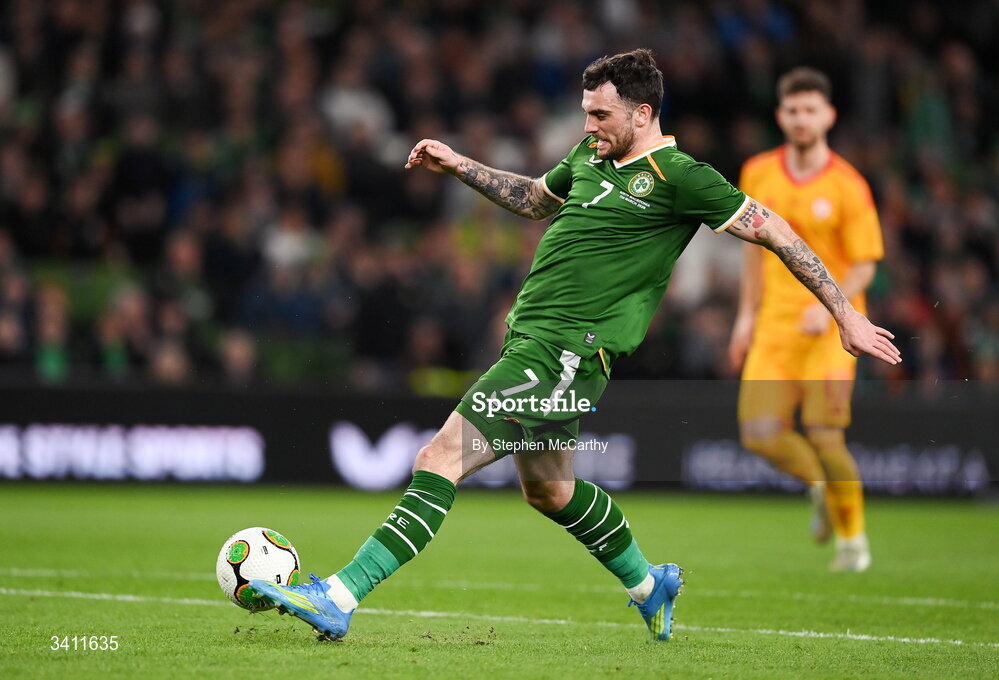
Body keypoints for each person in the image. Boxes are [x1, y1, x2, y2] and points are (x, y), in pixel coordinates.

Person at [250, 49, 900, 641]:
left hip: (568, 351)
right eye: (586, 112)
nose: (589, 124)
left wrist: (844, 312)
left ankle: (338, 596)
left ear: (644, 113)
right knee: (551, 492)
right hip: (536, 341)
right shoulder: (591, 158)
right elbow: (535, 199)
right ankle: (651, 585)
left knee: (439, 456)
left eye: (601, 113)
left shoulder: (681, 176)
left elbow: (778, 231)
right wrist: (459, 165)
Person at [728, 67, 884, 572]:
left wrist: (834, 309)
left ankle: (853, 541)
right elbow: (753, 253)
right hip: (774, 324)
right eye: (793, 110)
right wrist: (745, 316)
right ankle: (820, 488)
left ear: (829, 115)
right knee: (759, 433)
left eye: (811, 109)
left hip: (831, 332)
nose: (801, 118)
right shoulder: (757, 172)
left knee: (825, 435)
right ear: (780, 115)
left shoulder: (848, 185)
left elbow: (865, 263)